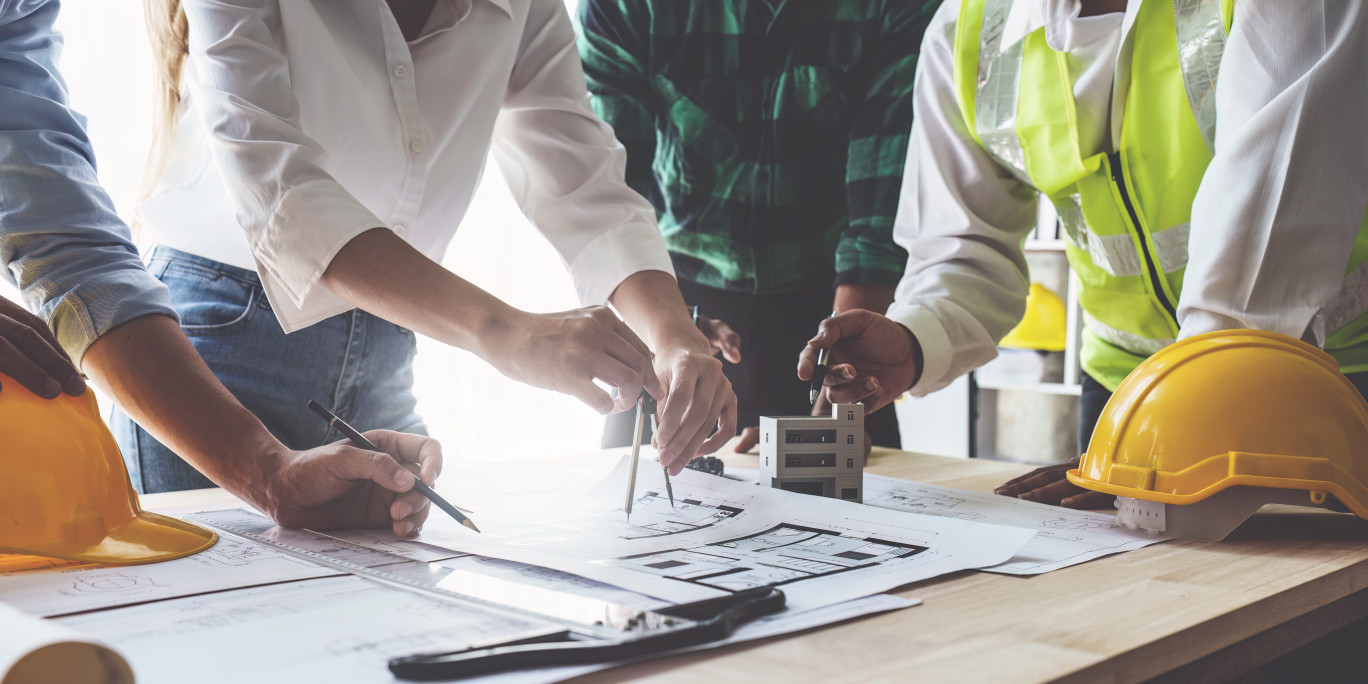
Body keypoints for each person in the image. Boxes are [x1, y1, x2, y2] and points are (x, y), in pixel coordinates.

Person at [125, 0, 737, 493]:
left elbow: (583, 184)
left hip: (386, 357)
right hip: (214, 355)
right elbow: (282, 193)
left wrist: (677, 340)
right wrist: (508, 331)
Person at [799, 0, 1368, 507]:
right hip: (1128, 384)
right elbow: (964, 248)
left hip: (1337, 370)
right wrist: (915, 338)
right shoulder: (966, 28)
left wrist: (1178, 427)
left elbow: (1273, 218)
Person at [0, 0, 440, 538]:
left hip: (365, 351)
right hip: (220, 317)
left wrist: (270, 475)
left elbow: (62, 239)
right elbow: (283, 195)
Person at [577, 0, 941, 453]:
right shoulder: (625, 6)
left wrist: (844, 366)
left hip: (833, 308)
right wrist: (670, 329)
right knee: (637, 503)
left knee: (858, 503)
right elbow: (610, 200)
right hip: (669, 295)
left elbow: (880, 208)